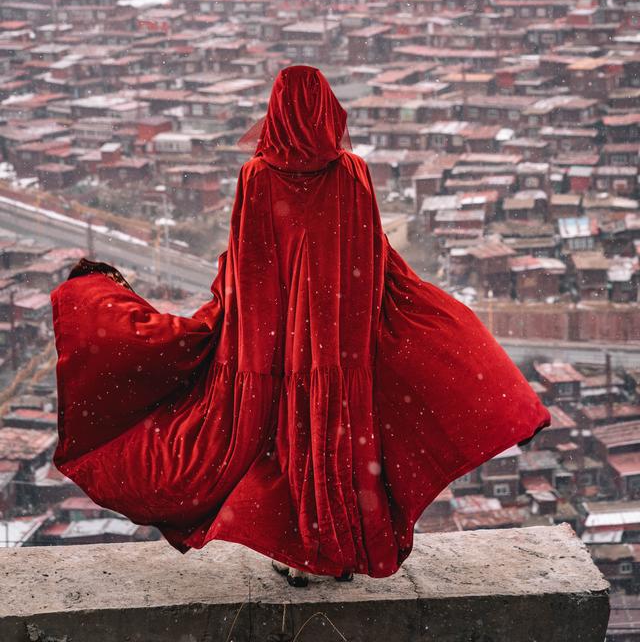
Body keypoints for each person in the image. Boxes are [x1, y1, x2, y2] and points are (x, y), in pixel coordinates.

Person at [51, 65, 550, 587]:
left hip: (277, 352)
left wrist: (232, 321)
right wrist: (413, 313)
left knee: (286, 451)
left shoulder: (259, 177)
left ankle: (302, 555)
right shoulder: (352, 173)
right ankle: (340, 550)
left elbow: (248, 268)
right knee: (342, 451)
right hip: (342, 351)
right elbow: (374, 259)